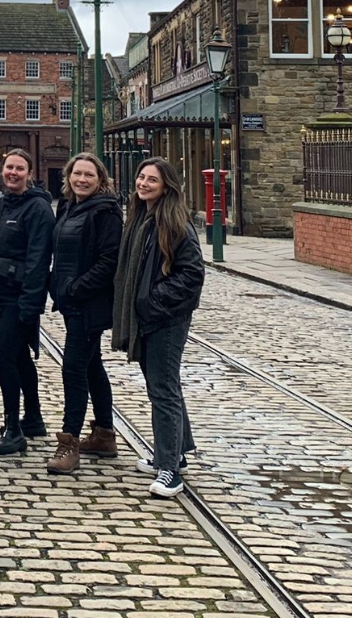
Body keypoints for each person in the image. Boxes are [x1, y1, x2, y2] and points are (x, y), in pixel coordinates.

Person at [113, 157, 204, 498]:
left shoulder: (174, 222)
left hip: (166, 318)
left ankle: (169, 470)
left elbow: (192, 274)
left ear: (167, 186)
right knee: (162, 385)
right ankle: (175, 453)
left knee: (162, 389)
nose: (144, 183)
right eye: (141, 177)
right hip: (150, 316)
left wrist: (152, 301)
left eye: (152, 179)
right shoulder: (141, 218)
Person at [45, 152, 122, 474]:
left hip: (88, 303)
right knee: (91, 366)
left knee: (73, 368)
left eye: (89, 175)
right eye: (77, 174)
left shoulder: (106, 212)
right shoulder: (68, 207)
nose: (82, 180)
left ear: (100, 179)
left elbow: (109, 260)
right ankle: (104, 433)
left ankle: (70, 442)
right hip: (71, 301)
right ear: (69, 177)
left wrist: (76, 288)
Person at [0, 149, 55, 456]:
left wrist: (30, 303)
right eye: (9, 167)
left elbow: (39, 259)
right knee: (20, 356)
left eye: (19, 168)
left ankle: (14, 428)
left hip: (19, 296)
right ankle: (33, 418)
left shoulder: (38, 209)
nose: (13, 172)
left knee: (3, 356)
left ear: (30, 172)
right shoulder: (2, 203)